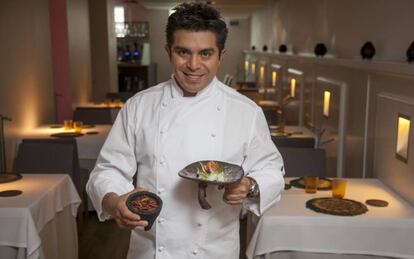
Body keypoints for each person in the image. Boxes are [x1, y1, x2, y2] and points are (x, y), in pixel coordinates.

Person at [86, 2, 284, 259]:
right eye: (183, 52)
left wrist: (250, 186)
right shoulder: (139, 106)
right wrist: (115, 204)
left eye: (205, 53)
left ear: (221, 55)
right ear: (168, 52)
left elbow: (271, 170)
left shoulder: (246, 112)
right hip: (151, 251)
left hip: (216, 252)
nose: (193, 65)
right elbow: (108, 170)